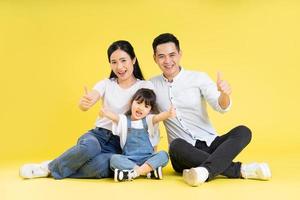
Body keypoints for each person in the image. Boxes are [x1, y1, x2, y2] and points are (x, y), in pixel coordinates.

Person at [19, 40, 156, 179]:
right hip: (98, 135)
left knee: (103, 166)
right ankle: (46, 168)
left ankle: (55, 165)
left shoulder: (145, 86)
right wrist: (85, 103)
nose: (119, 66)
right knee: (90, 147)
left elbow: (150, 122)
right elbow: (92, 96)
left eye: (123, 60)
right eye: (113, 62)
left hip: (120, 144)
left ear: (133, 60)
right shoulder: (106, 83)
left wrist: (151, 154)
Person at [150, 33, 272, 186]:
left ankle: (204, 171)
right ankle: (241, 170)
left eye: (172, 55)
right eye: (161, 56)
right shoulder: (150, 85)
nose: (167, 61)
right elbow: (149, 121)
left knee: (243, 131)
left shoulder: (198, 78)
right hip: (184, 153)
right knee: (176, 145)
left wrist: (224, 94)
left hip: (212, 144)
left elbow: (221, 106)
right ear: (154, 58)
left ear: (180, 54)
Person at [101, 88, 173, 182]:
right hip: (129, 160)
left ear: (150, 110)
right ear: (132, 102)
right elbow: (114, 117)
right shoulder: (124, 120)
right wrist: (104, 113)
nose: (141, 108)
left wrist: (168, 113)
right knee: (114, 159)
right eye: (138, 103)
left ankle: (133, 173)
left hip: (147, 159)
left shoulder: (148, 120)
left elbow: (158, 117)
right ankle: (148, 171)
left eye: (146, 106)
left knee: (164, 155)